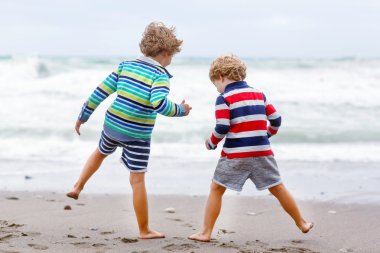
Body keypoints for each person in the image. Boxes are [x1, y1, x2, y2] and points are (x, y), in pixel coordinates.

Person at [66, 22, 192, 239]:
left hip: (113, 124)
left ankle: (78, 186)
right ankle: (144, 230)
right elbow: (159, 104)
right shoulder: (160, 75)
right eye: (172, 56)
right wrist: (181, 110)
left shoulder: (126, 65)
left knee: (100, 152)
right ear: (166, 53)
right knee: (137, 181)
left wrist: (83, 115)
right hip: (137, 134)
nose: (171, 61)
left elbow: (101, 91)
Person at [189, 55, 313, 242]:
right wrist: (268, 134)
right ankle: (302, 223)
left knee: (216, 189)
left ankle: (205, 232)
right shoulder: (259, 94)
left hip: (235, 155)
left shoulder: (224, 98)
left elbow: (222, 127)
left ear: (221, 76)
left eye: (215, 84)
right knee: (278, 187)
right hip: (262, 152)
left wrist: (211, 143)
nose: (217, 88)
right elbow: (277, 120)